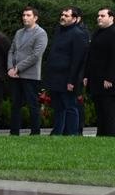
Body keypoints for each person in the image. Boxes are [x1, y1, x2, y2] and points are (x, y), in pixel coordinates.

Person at [44, 7, 89, 136]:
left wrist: (72, 80)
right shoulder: (59, 31)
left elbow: (78, 60)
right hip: (55, 76)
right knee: (58, 106)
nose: (62, 17)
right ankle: (57, 131)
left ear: (74, 19)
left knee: (70, 106)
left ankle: (73, 133)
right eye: (62, 14)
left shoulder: (78, 34)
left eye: (66, 15)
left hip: (68, 78)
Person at [8, 7, 49, 136]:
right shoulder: (19, 32)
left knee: (32, 105)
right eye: (23, 15)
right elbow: (11, 50)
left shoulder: (40, 33)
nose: (25, 17)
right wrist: (10, 68)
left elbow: (36, 56)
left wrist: (17, 68)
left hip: (30, 75)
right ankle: (14, 132)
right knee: (15, 104)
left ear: (35, 18)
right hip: (15, 75)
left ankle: (35, 133)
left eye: (28, 15)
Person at [84, 8, 115, 137]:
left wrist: (110, 78)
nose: (99, 18)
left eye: (103, 15)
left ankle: (110, 135)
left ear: (112, 18)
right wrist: (86, 75)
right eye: (98, 16)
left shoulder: (113, 33)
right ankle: (101, 135)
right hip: (96, 79)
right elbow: (90, 55)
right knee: (100, 110)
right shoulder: (97, 32)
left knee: (108, 111)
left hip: (108, 81)